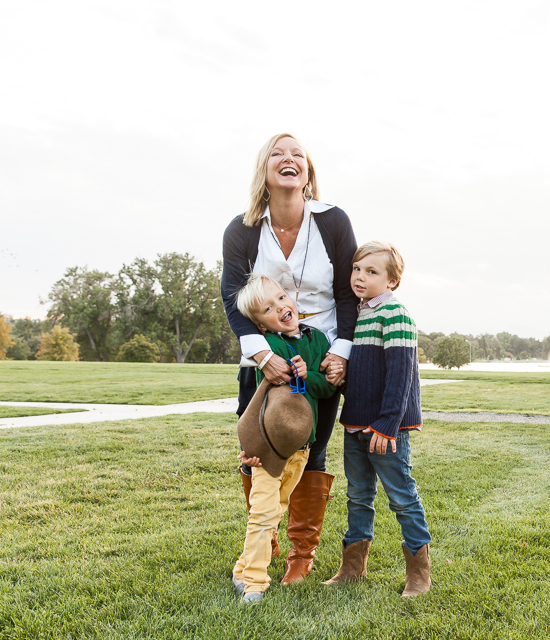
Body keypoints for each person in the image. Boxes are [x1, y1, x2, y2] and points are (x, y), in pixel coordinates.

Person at [221, 133, 358, 585]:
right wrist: (261, 354)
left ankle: (301, 555)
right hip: (263, 350)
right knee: (258, 448)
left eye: (298, 154)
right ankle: (266, 540)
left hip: (319, 351)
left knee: (310, 447)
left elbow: (346, 294)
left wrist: (340, 353)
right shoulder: (240, 230)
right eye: (278, 153)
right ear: (265, 169)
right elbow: (230, 296)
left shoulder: (334, 221)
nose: (289, 159)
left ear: (308, 172)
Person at [322, 241, 432, 598]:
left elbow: (401, 378)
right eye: (357, 269)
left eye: (371, 272)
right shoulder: (358, 315)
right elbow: (364, 370)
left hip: (384, 429)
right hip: (354, 424)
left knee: (402, 497)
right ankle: (352, 567)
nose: (360, 277)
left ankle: (419, 574)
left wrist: (387, 425)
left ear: (392, 281)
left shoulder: (395, 315)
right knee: (358, 496)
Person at [230, 273, 337, 603]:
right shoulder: (268, 349)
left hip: (301, 448)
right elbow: (253, 402)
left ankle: (241, 568)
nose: (280, 307)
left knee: (276, 509)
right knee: (263, 512)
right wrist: (250, 446)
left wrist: (311, 375)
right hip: (269, 448)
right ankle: (254, 582)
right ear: (260, 325)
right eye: (267, 308)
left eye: (280, 298)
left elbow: (328, 387)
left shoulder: (317, 340)